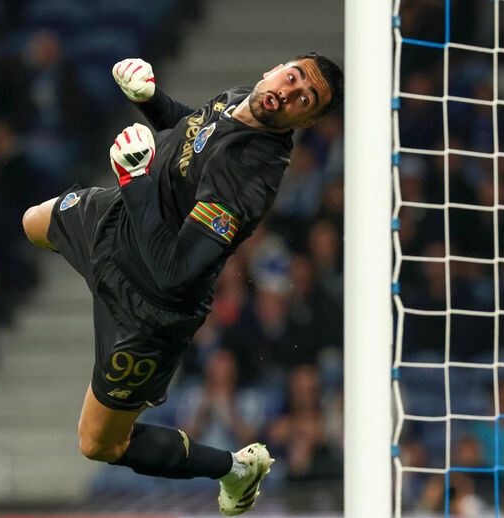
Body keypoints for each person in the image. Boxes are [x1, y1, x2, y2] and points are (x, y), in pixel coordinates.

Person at [22, 53, 342, 515]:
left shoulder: (250, 176)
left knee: (99, 444)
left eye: (303, 99)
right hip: (120, 223)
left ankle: (235, 469)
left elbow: (174, 273)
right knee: (33, 222)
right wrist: (150, 100)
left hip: (148, 308)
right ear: (274, 67)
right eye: (292, 78)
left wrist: (135, 179)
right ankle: (94, 267)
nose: (288, 92)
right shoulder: (241, 100)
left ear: (306, 119)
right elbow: (193, 130)